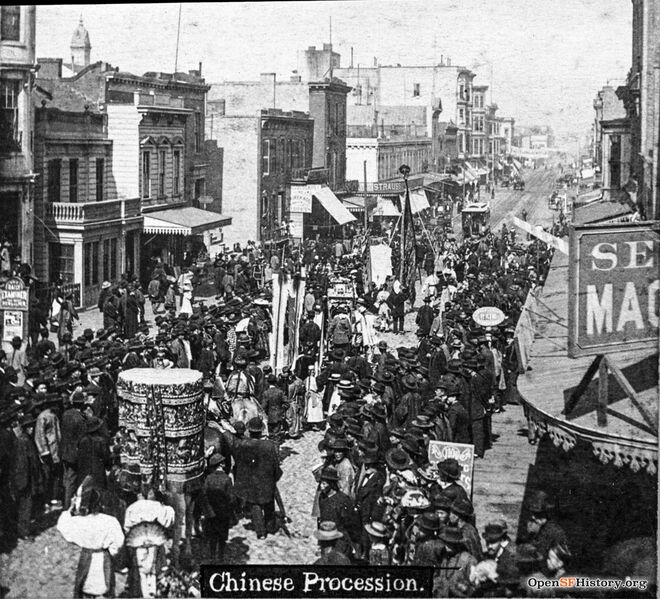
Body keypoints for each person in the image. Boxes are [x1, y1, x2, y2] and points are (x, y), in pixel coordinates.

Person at [57, 486, 125, 598]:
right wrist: (112, 553)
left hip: (86, 558)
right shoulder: (110, 521)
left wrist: (71, 507)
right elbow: (118, 542)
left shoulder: (80, 522)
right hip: (104, 558)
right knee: (104, 587)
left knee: (85, 586)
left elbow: (63, 525)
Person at [233, 417, 282, 539]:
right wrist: (275, 476)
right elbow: (275, 463)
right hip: (266, 479)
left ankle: (260, 532)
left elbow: (239, 464)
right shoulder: (269, 445)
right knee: (269, 501)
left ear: (249, 431)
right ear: (261, 431)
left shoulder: (242, 445)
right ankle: (270, 525)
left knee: (255, 504)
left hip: (251, 480)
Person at [200, 453, 235, 561]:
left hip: (211, 514)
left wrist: (207, 511)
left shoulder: (208, 478)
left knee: (212, 537)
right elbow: (232, 498)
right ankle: (220, 557)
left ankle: (212, 556)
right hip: (223, 514)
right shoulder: (226, 479)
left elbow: (203, 495)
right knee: (222, 537)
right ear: (220, 465)